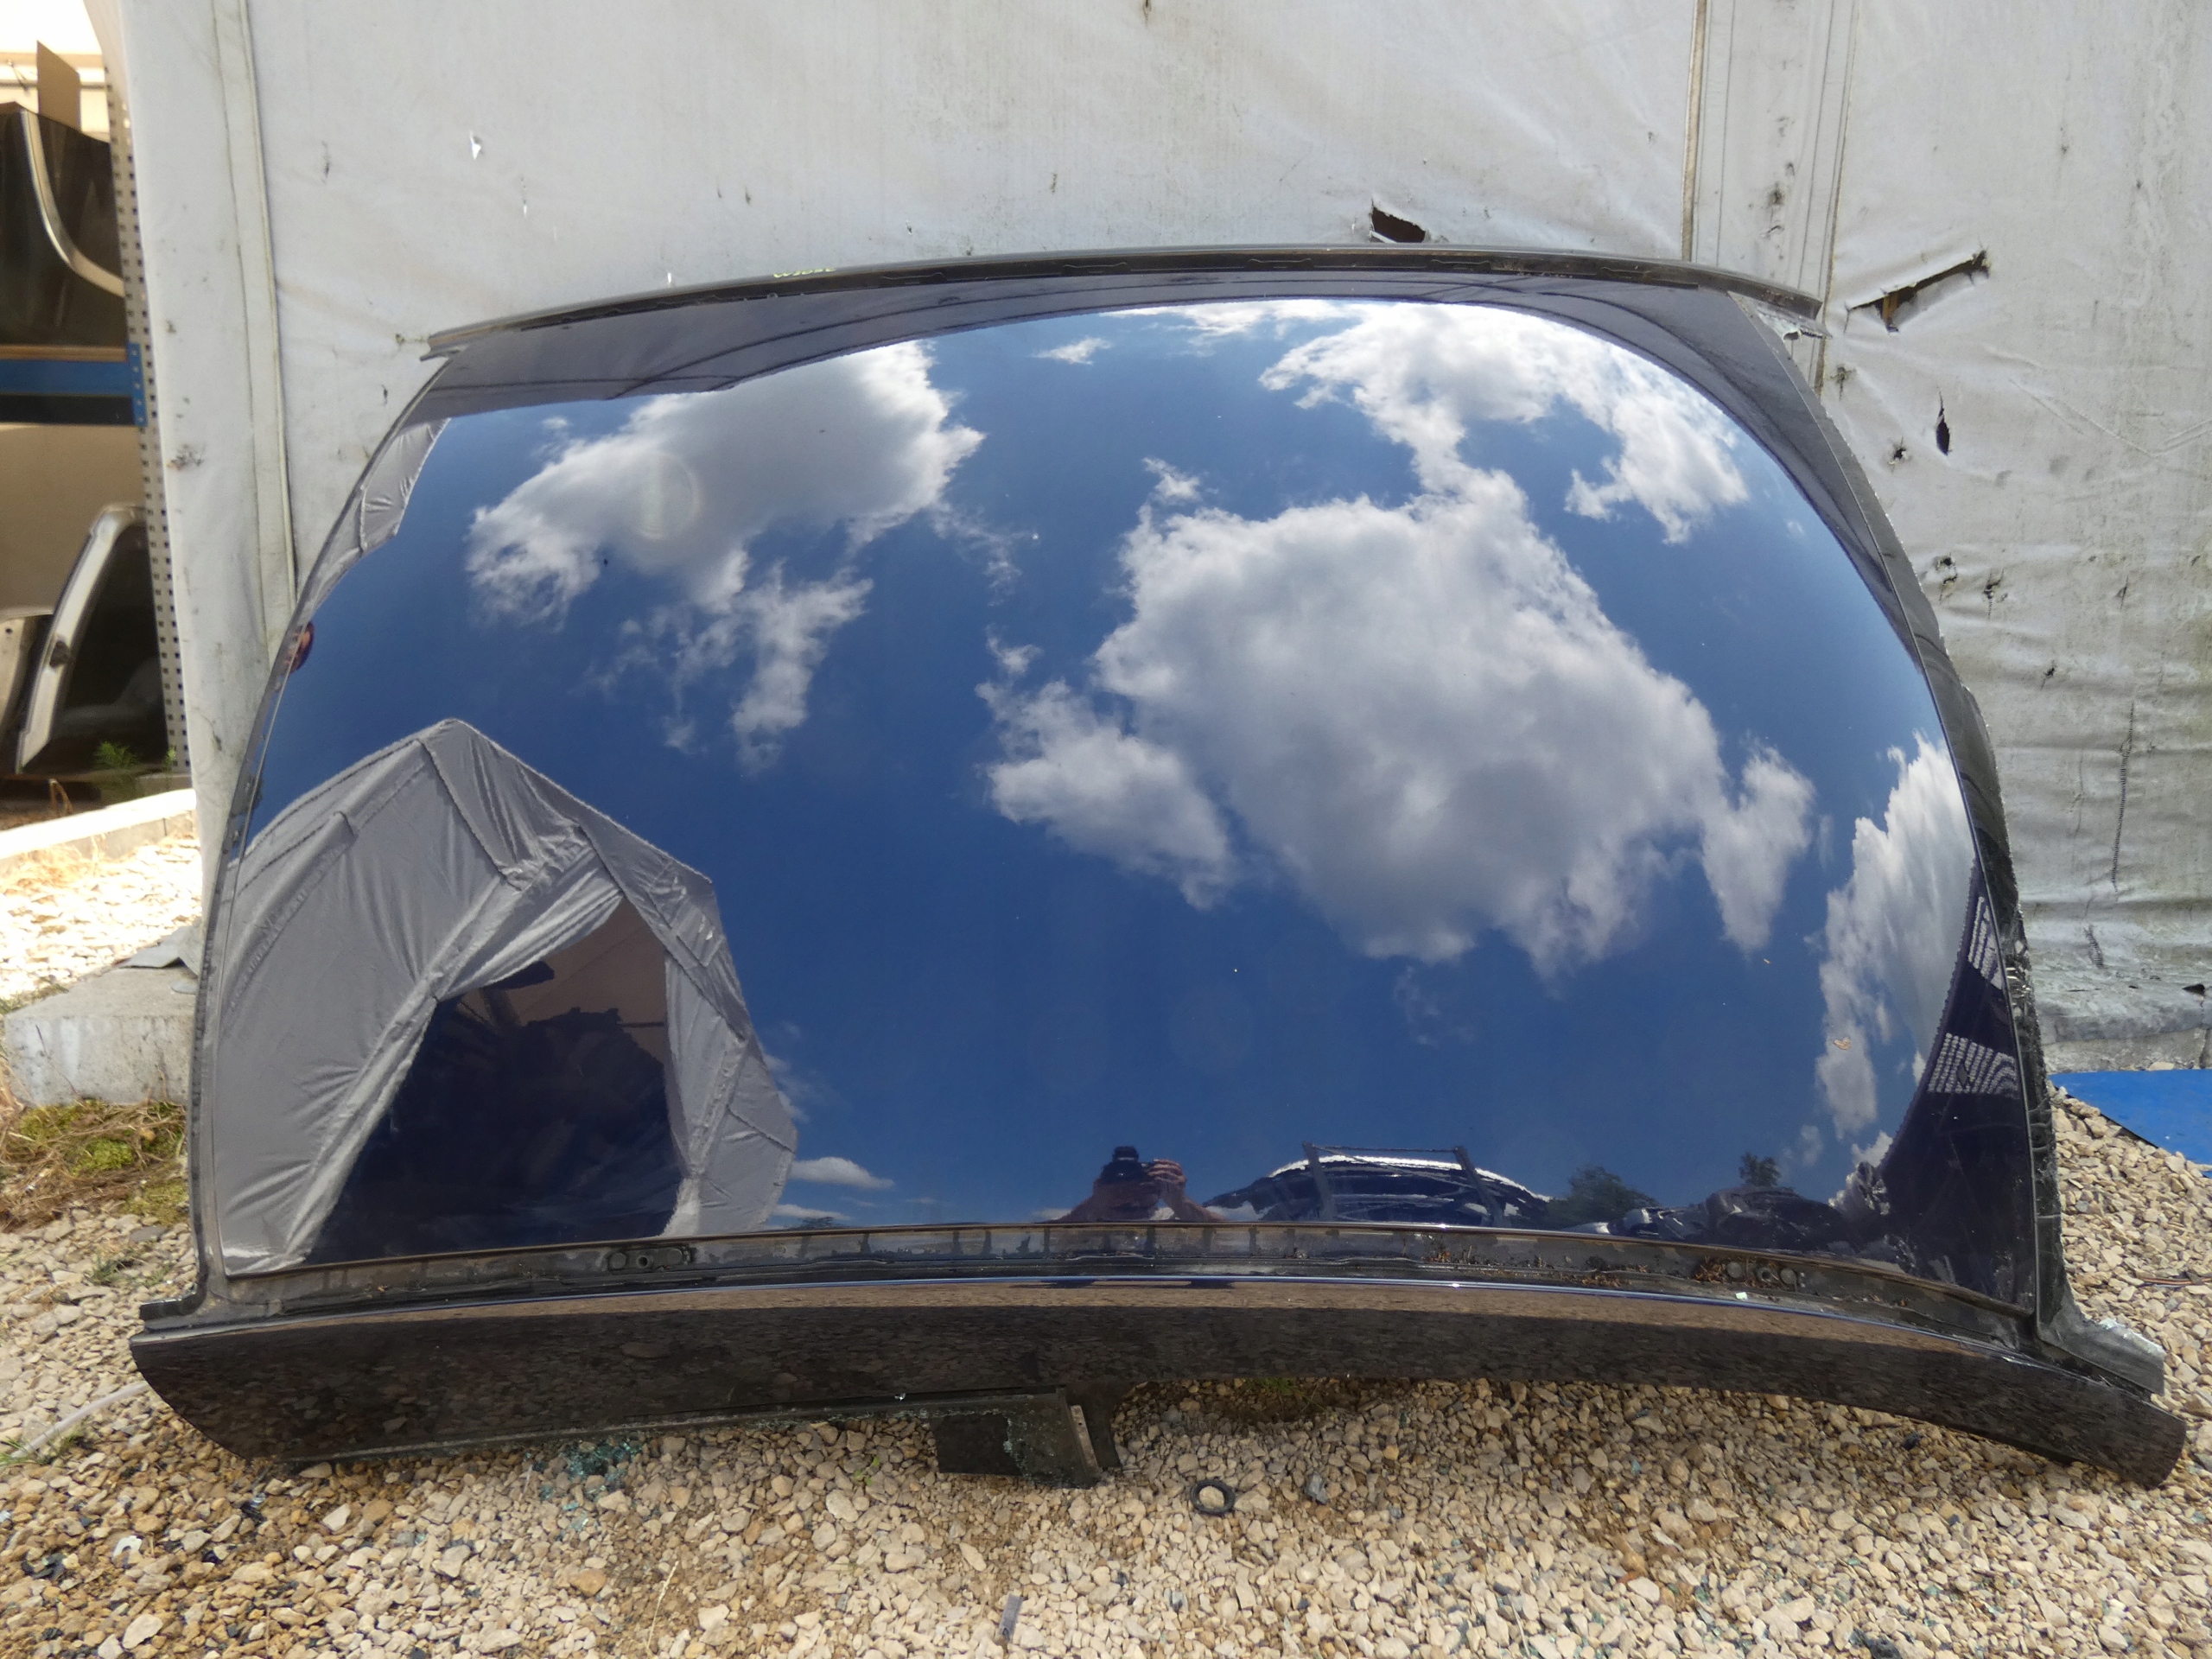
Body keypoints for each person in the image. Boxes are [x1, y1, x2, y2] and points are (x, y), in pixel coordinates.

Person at [1061, 1145, 1219, 1223]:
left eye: (1137, 1176)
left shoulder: (1172, 1218)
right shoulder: (1083, 1224)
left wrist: (1181, 1203)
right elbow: (1049, 1241)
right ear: (1100, 1185)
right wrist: (1092, 1206)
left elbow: (1229, 1238)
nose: (1127, 1184)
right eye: (1118, 1179)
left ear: (1152, 1179)